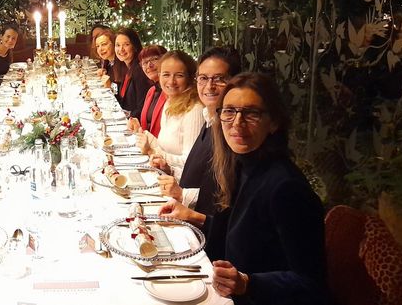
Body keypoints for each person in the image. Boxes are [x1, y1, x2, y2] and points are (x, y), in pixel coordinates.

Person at [158, 72, 328, 305]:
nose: (237, 122)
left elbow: (311, 283)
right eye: (229, 111)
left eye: (251, 113)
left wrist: (247, 283)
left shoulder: (286, 188)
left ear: (273, 123)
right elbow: (243, 234)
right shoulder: (241, 165)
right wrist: (193, 217)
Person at [156, 47, 240, 215]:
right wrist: (168, 169)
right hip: (186, 211)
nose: (210, 86)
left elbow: (228, 196)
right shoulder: (209, 118)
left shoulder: (233, 131)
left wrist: (182, 194)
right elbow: (197, 173)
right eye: (203, 78)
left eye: (219, 79)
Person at [137, 51, 204, 178]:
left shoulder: (194, 110)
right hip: (164, 174)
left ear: (190, 78)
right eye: (166, 74)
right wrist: (144, 136)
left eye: (179, 75)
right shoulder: (170, 102)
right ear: (159, 76)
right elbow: (164, 146)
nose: (171, 81)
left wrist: (152, 151)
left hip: (178, 183)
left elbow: (190, 162)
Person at [128, 45, 167, 137]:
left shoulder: (171, 93)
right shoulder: (151, 91)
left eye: (154, 59)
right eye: (144, 62)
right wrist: (137, 124)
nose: (149, 65)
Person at [115, 27, 152, 119]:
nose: (121, 49)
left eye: (126, 44)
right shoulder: (125, 68)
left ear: (135, 47)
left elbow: (142, 108)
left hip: (133, 122)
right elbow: (123, 100)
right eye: (118, 45)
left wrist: (126, 116)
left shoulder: (140, 71)